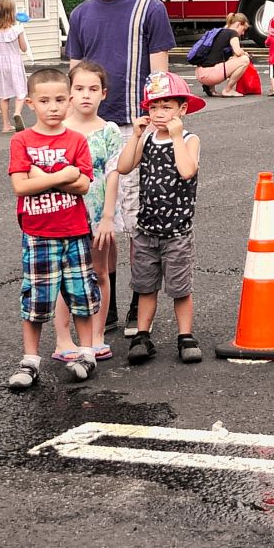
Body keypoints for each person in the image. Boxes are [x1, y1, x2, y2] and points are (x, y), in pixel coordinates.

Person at [7, 65, 102, 391]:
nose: (53, 107)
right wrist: (64, 175)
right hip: (38, 233)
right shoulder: (21, 140)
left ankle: (86, 352)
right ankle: (30, 360)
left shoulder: (76, 140)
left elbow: (84, 184)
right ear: (31, 103)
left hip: (74, 231)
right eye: (45, 100)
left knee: (81, 294)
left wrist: (43, 177)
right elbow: (20, 187)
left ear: (70, 100)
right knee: (35, 298)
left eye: (60, 99)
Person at [117, 73, 205, 365]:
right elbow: (124, 166)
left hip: (177, 229)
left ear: (182, 109)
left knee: (180, 287)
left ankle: (185, 335)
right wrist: (136, 135)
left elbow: (187, 170)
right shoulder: (148, 139)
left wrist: (177, 135)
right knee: (145, 285)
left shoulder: (190, 139)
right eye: (153, 107)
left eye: (166, 106)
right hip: (146, 227)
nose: (158, 113)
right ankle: (143, 335)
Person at [65, 0, 175, 131]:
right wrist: (69, 127)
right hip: (90, 126)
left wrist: (155, 126)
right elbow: (75, 77)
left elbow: (159, 77)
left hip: (135, 125)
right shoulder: (79, 14)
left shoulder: (151, 8)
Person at [61, 60, 124, 350]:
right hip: (63, 214)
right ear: (70, 93)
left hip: (98, 212)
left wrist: (108, 216)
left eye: (93, 89)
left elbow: (113, 174)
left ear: (104, 94)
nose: (86, 94)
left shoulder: (109, 130)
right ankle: (65, 338)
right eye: (80, 88)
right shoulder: (58, 129)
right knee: (65, 276)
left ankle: (98, 335)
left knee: (99, 273)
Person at [0, 0, 28, 129]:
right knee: (20, 91)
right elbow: (24, 47)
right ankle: (17, 113)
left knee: (4, 95)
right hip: (14, 62)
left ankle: (5, 124)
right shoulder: (17, 29)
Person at [192, 9, 254, 95]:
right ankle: (228, 90)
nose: (243, 33)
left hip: (199, 73)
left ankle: (210, 87)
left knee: (223, 58)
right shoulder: (232, 33)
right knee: (244, 60)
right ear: (238, 24)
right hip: (210, 75)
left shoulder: (217, 32)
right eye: (243, 29)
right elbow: (238, 52)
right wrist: (245, 54)